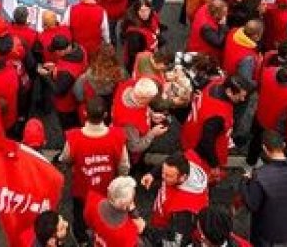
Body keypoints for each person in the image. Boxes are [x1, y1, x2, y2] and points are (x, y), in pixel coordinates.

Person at [60, 98, 130, 245]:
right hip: (107, 189)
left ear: (85, 113)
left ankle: (81, 238)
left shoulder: (74, 137)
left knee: (79, 215)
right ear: (105, 115)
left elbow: (65, 159)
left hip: (82, 188)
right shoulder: (118, 136)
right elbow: (124, 166)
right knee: (105, 215)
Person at [140, 151, 209, 245]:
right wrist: (152, 174)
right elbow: (167, 163)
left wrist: (145, 230)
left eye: (168, 176)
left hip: (163, 230)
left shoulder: (185, 211)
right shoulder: (186, 160)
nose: (163, 177)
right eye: (163, 173)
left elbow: (175, 242)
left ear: (182, 177)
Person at [84, 176, 144, 247]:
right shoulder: (129, 232)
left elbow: (88, 222)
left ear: (109, 191)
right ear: (126, 206)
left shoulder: (92, 199)